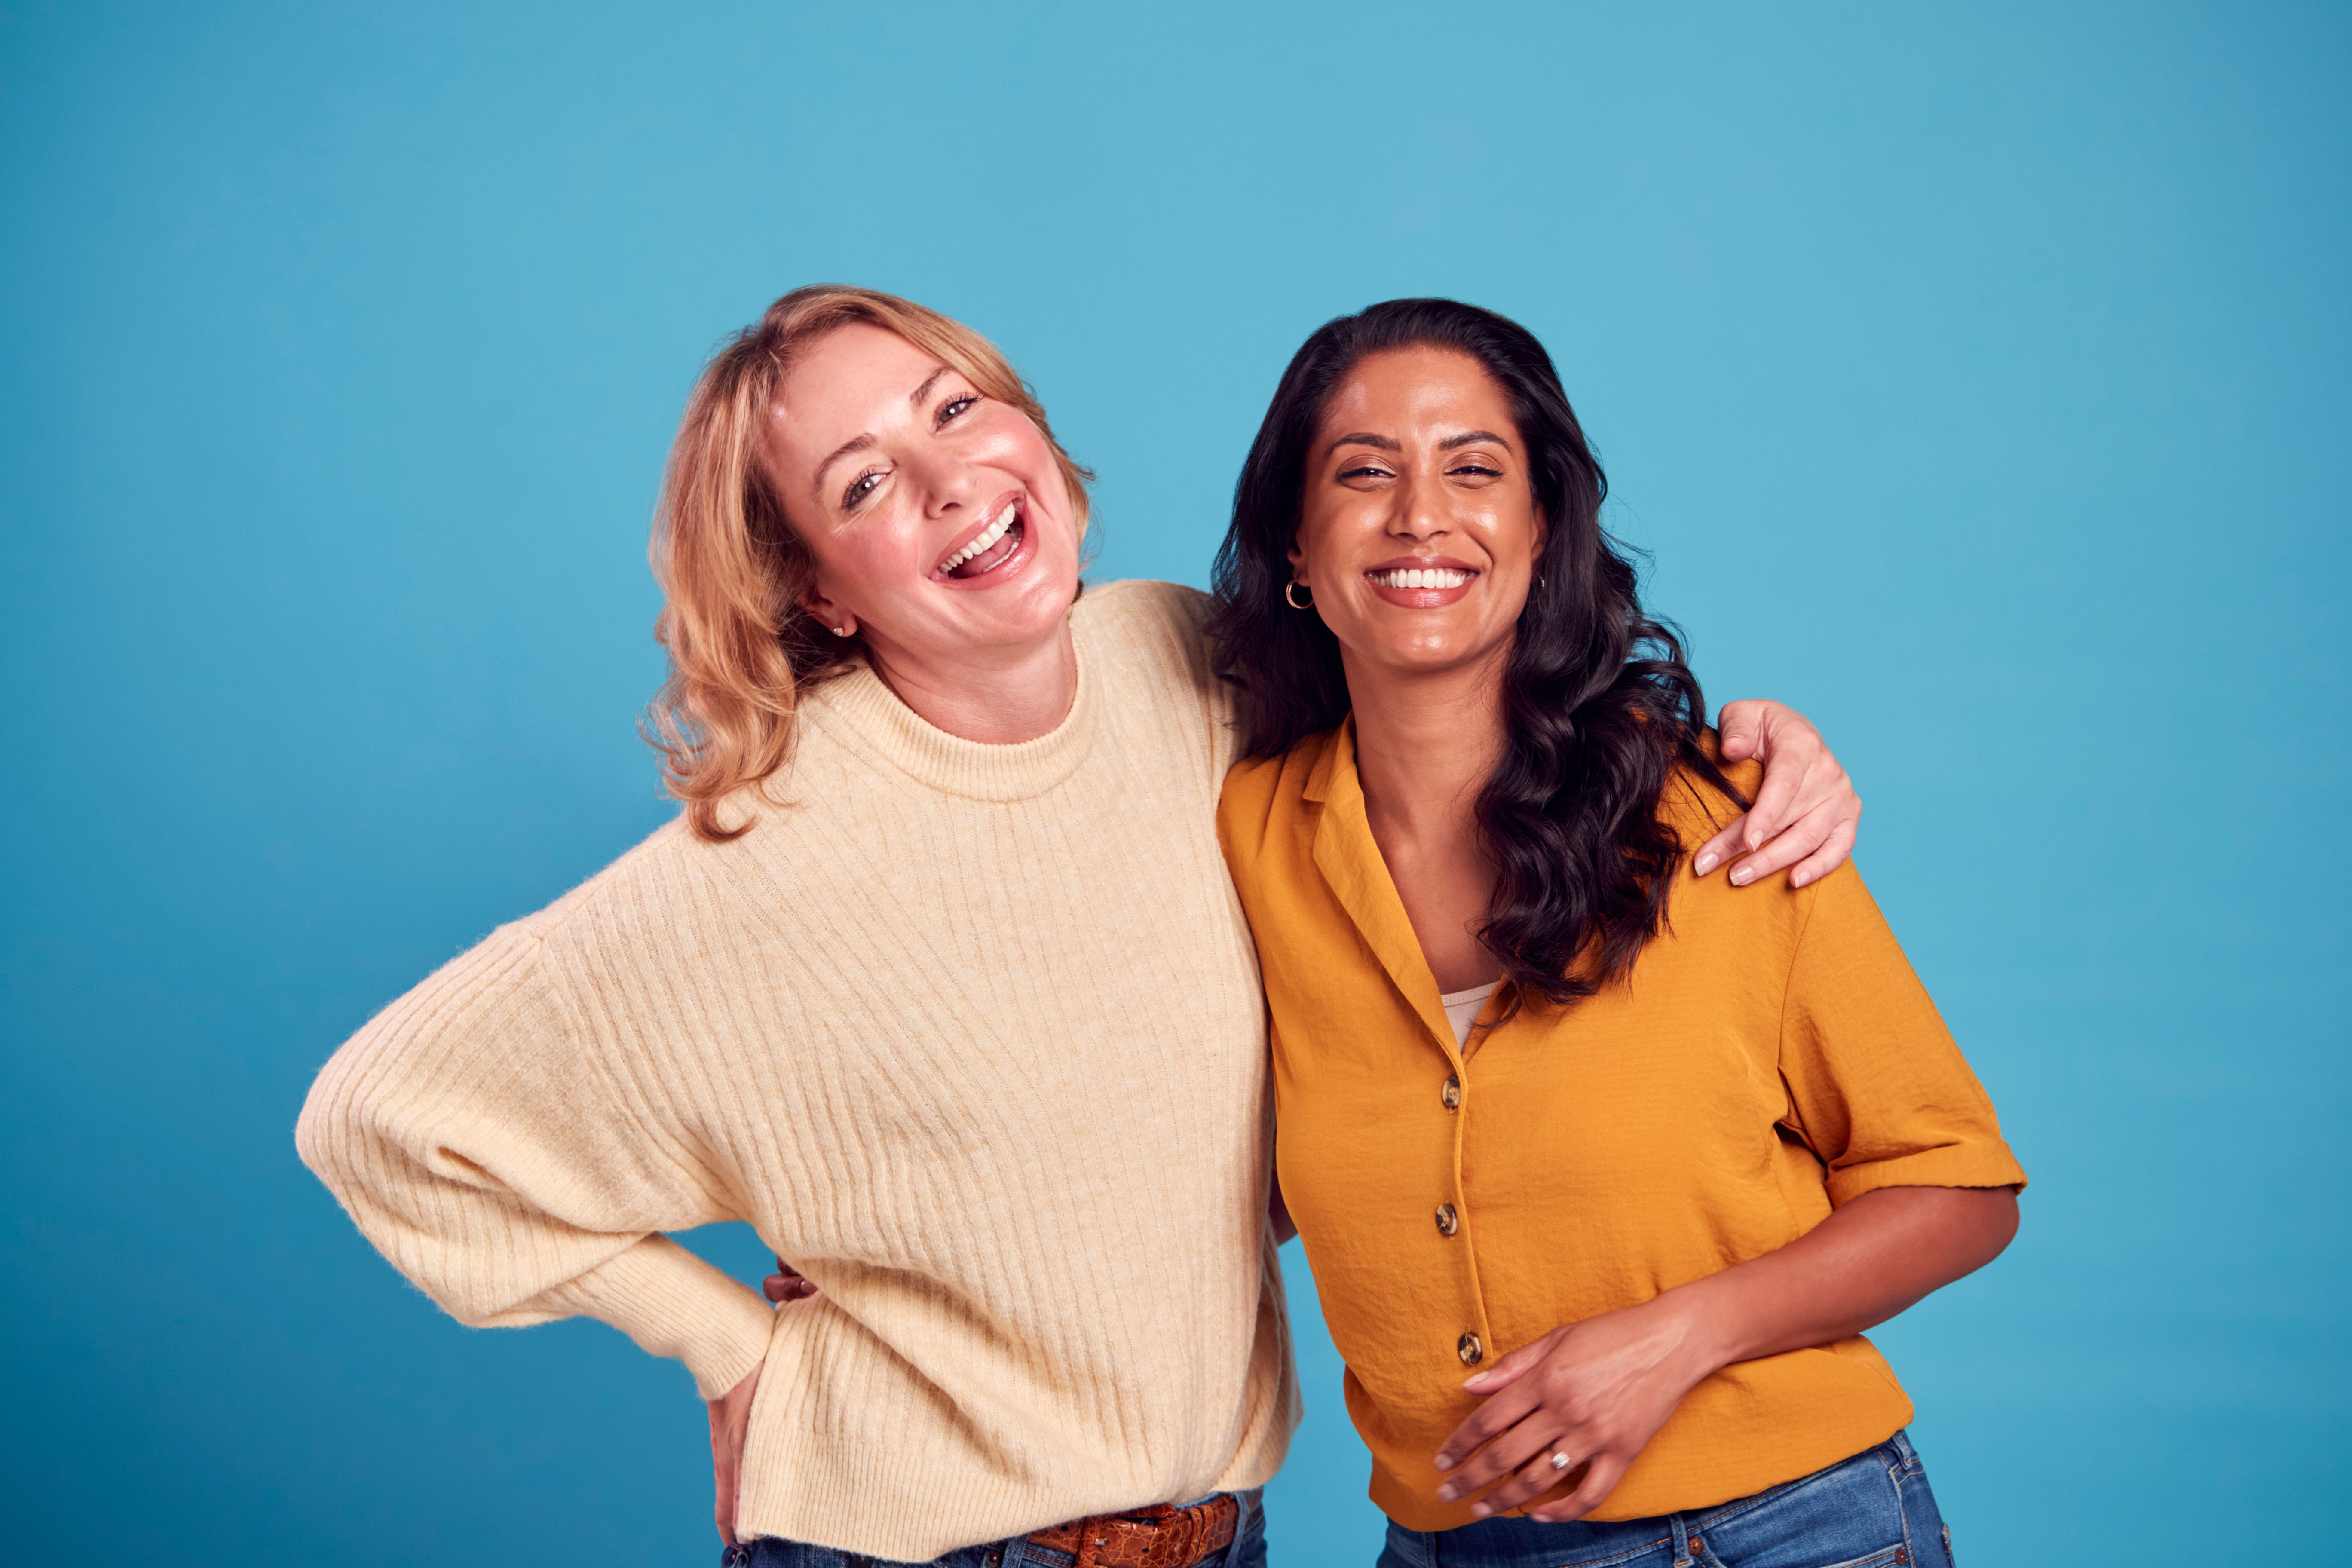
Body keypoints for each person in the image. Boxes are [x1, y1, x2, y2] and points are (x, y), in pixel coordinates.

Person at [296, 286, 1862, 1568]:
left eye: (958, 409)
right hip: (928, 1549)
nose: (947, 481)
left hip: (1213, 1534)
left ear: (1031, 430)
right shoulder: (766, 852)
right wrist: (725, 1348)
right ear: (819, 591)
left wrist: (1720, 748)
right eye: (861, 485)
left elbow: (1445, 682)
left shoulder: (1190, 666)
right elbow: (381, 1119)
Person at [1211, 299, 2025, 1568]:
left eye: (1475, 470)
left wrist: (1682, 1335)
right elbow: (1228, 1179)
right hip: (1438, 1545)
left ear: (1542, 536)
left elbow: (1957, 1185)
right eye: (1363, 473)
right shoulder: (1247, 832)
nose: (1421, 513)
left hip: (1777, 1533)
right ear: (1299, 553)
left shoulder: (1719, 820)